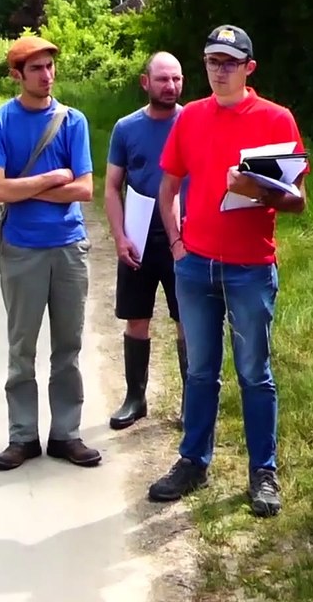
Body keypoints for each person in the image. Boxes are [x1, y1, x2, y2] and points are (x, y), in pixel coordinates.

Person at [146, 24, 307, 516]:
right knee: (199, 371)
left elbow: (297, 203)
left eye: (230, 62)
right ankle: (193, 460)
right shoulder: (190, 117)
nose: (220, 70)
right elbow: (167, 187)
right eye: (213, 61)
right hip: (194, 265)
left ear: (248, 68)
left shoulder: (276, 119)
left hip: (250, 268)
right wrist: (176, 244)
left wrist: (256, 188)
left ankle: (263, 472)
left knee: (254, 374)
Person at [0, 35, 100, 471]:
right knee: (22, 347)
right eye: (36, 68)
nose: (46, 75)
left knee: (68, 346)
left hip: (68, 247)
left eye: (50, 66)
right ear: (17, 74)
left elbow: (85, 189)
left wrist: (25, 188)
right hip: (21, 249)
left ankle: (66, 433)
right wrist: (53, 178)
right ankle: (23, 436)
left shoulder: (73, 122)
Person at [104, 51, 188, 430]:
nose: (170, 87)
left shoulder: (193, 121)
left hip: (184, 239)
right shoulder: (126, 128)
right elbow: (110, 187)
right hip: (138, 237)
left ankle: (193, 402)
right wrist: (120, 236)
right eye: (162, 80)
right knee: (137, 320)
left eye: (176, 79)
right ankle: (135, 399)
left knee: (187, 320)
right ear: (145, 83)